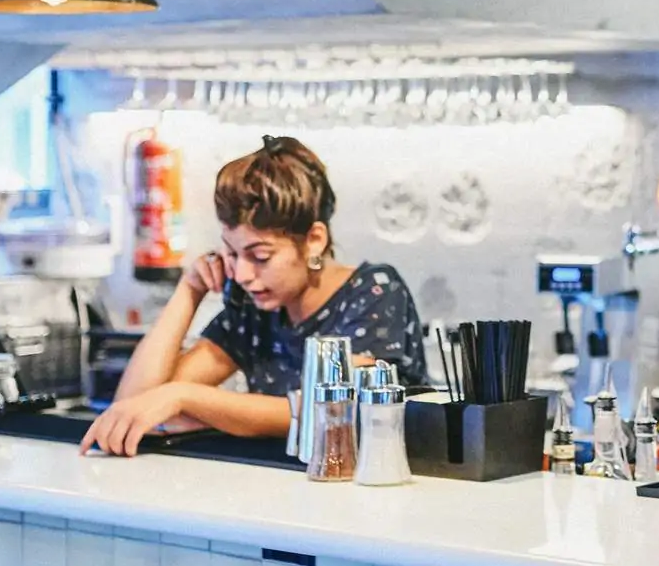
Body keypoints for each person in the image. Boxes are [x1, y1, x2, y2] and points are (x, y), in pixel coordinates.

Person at [81, 135, 425, 456]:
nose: (243, 275)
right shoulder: (254, 307)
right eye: (232, 253)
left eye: (260, 256)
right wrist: (189, 291)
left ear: (315, 240)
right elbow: (135, 406)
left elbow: (329, 410)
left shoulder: (376, 291)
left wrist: (184, 397)